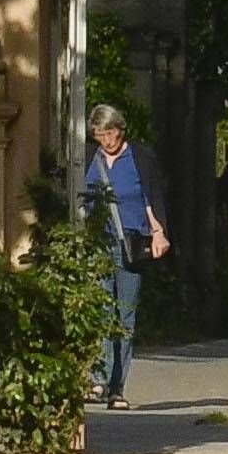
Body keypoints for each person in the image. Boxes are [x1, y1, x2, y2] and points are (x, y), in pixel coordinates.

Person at [85, 100, 156, 400]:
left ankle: (117, 389)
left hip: (131, 242)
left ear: (121, 129)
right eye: (100, 135)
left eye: (111, 133)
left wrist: (159, 232)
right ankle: (98, 379)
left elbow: (152, 196)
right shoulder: (89, 157)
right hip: (98, 242)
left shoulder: (140, 156)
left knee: (124, 316)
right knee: (101, 311)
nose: (107, 140)